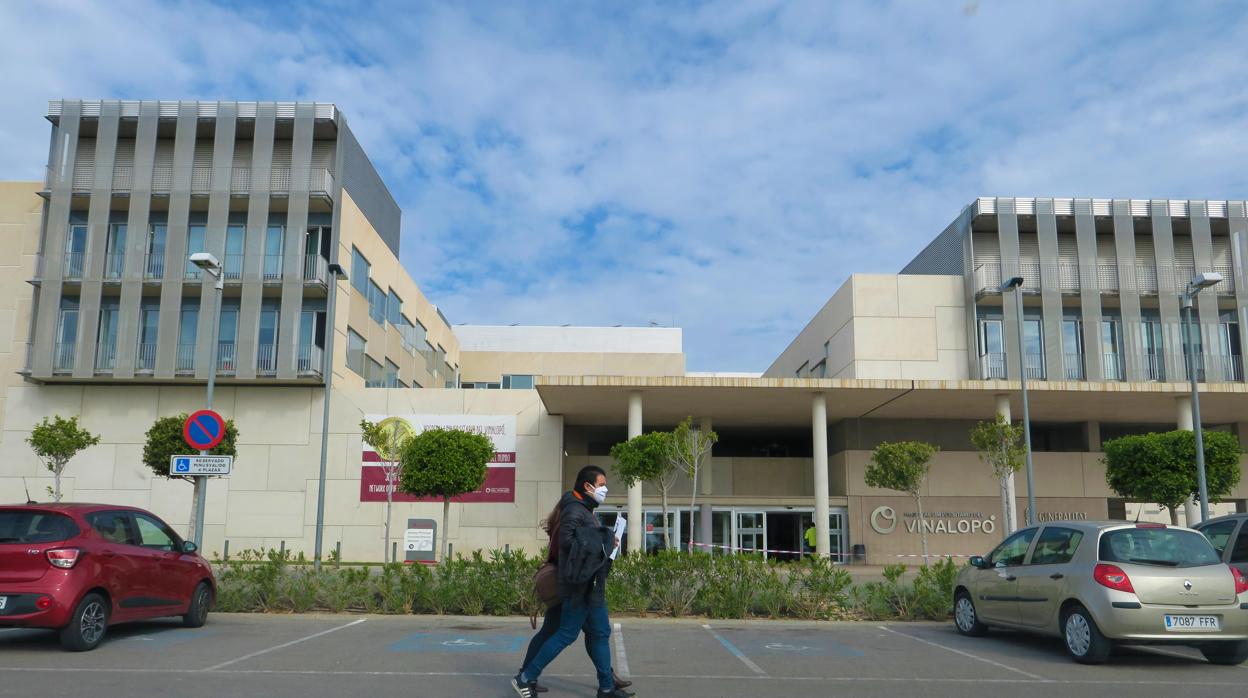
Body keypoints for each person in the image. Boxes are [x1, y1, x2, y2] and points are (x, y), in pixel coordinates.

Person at [512, 466, 635, 698]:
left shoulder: (583, 509)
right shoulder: (574, 511)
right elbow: (568, 543)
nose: (604, 489)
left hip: (590, 584)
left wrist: (605, 540)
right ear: (587, 486)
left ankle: (606, 686)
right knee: (566, 633)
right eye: (601, 485)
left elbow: (583, 541)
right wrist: (606, 541)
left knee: (599, 632)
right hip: (578, 585)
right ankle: (525, 678)